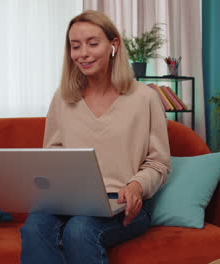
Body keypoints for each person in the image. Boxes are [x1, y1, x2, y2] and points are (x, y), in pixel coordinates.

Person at [20, 10, 170, 264]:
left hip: (124, 204)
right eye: (75, 46)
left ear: (113, 45)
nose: (83, 53)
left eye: (92, 43)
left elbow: (159, 163)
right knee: (35, 225)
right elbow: (52, 154)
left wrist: (136, 186)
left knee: (79, 231)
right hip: (70, 201)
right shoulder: (63, 98)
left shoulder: (145, 98)